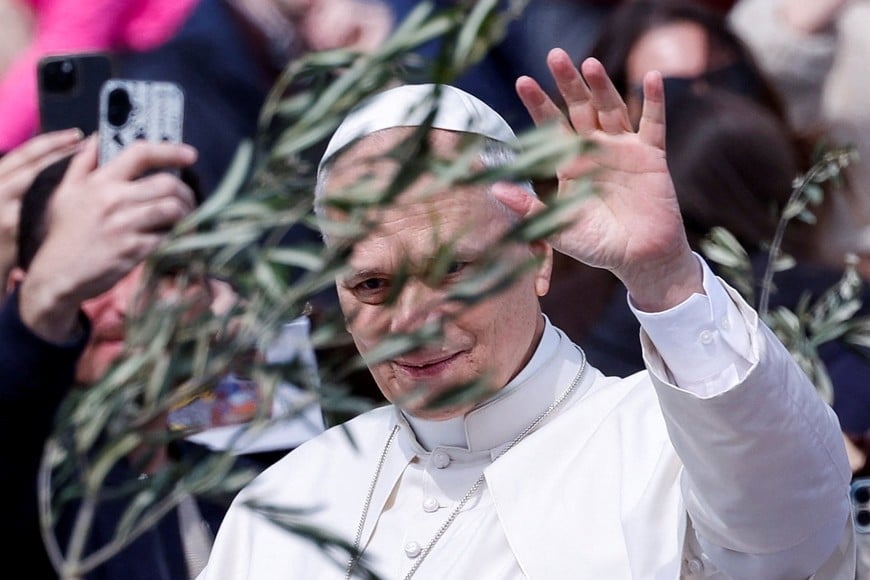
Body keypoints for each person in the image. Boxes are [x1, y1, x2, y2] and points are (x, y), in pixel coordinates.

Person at [198, 49, 855, 578]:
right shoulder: (282, 502)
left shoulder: (665, 449)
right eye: (371, 283)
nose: (411, 321)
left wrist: (667, 279)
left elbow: (793, 531)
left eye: (453, 267)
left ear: (538, 256)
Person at [0, 137, 238, 579]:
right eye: (101, 268)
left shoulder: (240, 466)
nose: (132, 305)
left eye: (168, 271)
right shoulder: (34, 484)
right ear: (25, 291)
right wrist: (41, 307)